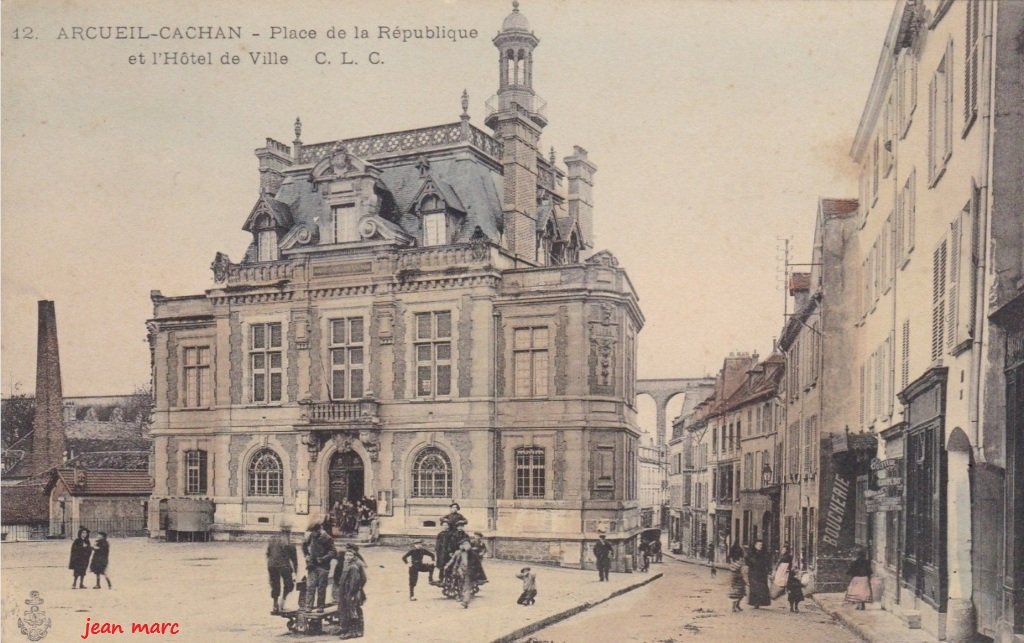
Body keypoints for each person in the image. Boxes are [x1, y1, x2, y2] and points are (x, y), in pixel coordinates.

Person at [302, 519, 336, 611]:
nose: (313, 534)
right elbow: (304, 546)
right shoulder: (311, 536)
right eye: (312, 532)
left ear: (319, 530)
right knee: (310, 586)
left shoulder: (327, 538)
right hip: (312, 566)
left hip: (323, 567)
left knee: (321, 587)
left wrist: (323, 558)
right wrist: (306, 556)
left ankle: (320, 607)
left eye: (314, 531)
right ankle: (308, 606)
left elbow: (333, 552)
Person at [267, 521, 298, 613]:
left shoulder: (272, 540)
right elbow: (294, 560)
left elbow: (268, 554)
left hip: (272, 565)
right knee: (289, 585)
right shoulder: (290, 543)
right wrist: (295, 573)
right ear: (289, 532)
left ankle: (275, 604)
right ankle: (282, 602)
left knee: (275, 585)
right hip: (283, 566)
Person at [337, 550, 367, 639]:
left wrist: (352, 593)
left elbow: (355, 581)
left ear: (354, 557)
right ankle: (348, 630)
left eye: (350, 555)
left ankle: (352, 632)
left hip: (350, 592)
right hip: (345, 591)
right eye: (346, 555)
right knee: (347, 610)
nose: (348, 557)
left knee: (352, 612)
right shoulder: (347, 564)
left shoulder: (353, 567)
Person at [444, 540, 478, 608]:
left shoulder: (472, 554)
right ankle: (460, 596)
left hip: (469, 572)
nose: (462, 547)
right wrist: (447, 566)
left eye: (464, 545)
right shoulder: (458, 552)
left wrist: (476, 573)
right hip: (460, 571)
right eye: (461, 545)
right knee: (460, 585)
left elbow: (477, 564)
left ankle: (465, 602)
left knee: (467, 587)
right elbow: (452, 560)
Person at [745, 539, 772, 608]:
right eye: (758, 545)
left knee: (762, 588)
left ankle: (761, 602)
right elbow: (747, 561)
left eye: (761, 545)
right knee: (754, 588)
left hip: (762, 573)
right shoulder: (751, 553)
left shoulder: (765, 554)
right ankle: (755, 602)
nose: (760, 546)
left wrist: (769, 570)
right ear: (755, 545)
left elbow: (768, 562)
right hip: (753, 573)